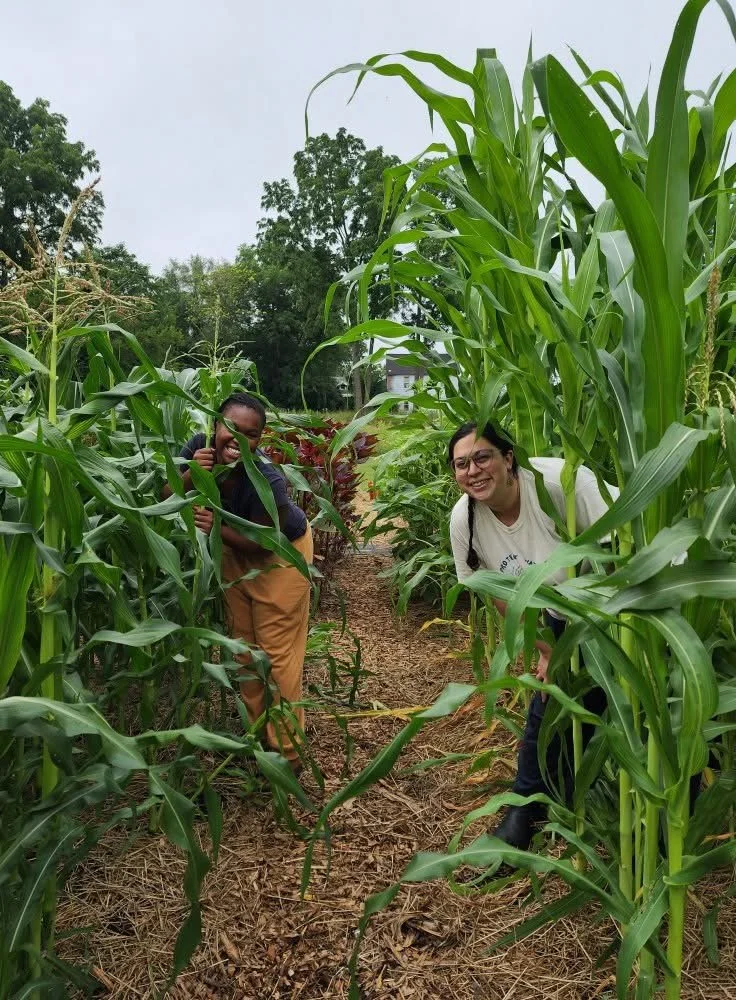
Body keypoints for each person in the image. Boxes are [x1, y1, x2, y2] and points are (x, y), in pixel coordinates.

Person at [448, 421, 617, 849]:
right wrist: (547, 652)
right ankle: (529, 805)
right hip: (555, 607)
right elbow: (502, 595)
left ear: (509, 459)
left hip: (626, 595)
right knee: (550, 693)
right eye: (461, 464)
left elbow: (624, 558)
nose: (473, 471)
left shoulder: (563, 486)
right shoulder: (465, 521)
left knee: (627, 700)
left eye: (482, 457)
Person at [163, 392, 313, 771]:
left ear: (259, 439)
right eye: (230, 428)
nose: (237, 440)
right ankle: (258, 734)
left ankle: (288, 755)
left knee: (275, 653)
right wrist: (192, 473)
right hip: (231, 547)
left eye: (250, 434)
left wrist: (219, 528)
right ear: (215, 425)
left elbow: (266, 545)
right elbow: (164, 496)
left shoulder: (266, 478)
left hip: (281, 555)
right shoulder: (198, 447)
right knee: (243, 650)